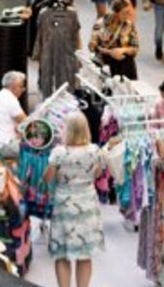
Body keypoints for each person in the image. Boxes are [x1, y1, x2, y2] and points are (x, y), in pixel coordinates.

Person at [44, 112, 105, 287]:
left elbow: (48, 178)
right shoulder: (95, 151)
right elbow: (97, 174)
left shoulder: (59, 153)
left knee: (62, 254)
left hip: (64, 204)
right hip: (88, 204)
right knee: (85, 254)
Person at [89, 0, 139, 80]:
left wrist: (123, 50)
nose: (127, 16)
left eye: (128, 13)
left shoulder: (128, 25)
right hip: (105, 61)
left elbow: (135, 48)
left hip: (124, 63)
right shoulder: (101, 23)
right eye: (124, 13)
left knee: (127, 61)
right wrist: (110, 52)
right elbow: (92, 46)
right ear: (116, 13)